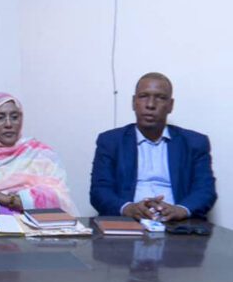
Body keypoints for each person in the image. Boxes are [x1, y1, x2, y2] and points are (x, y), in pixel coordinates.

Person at [90, 72, 216, 221]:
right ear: (133, 102)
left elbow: (205, 190)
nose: (150, 105)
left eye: (160, 98)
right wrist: (128, 208)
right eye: (143, 96)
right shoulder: (110, 141)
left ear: (170, 105)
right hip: (126, 222)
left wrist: (180, 210)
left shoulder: (195, 143)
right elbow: (99, 191)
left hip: (177, 224)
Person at [0, 92, 77, 215]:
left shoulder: (42, 154)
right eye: (0, 117)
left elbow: (58, 197)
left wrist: (6, 198)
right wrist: (27, 200)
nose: (8, 124)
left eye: (14, 117)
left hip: (40, 224)